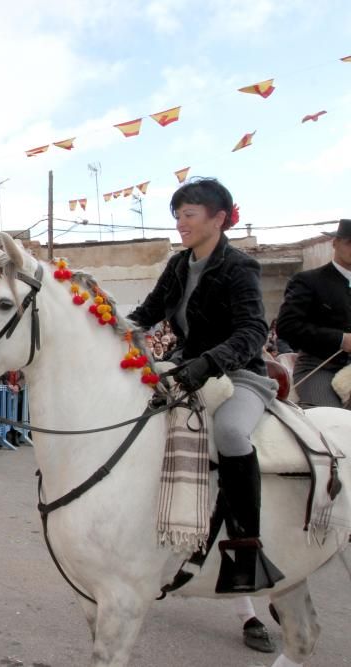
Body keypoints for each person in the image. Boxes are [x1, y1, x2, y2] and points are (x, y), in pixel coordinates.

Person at [128, 177, 282, 595]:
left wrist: (211, 362)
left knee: (231, 432)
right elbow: (146, 314)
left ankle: (245, 549)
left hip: (239, 375)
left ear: (218, 219)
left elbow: (252, 330)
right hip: (185, 370)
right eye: (177, 215)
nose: (181, 222)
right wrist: (104, 325)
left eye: (189, 214)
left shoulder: (240, 267)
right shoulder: (179, 265)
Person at [276, 218, 351, 408]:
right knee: (329, 419)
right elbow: (287, 327)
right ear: (335, 243)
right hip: (319, 367)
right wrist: (341, 339)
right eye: (350, 243)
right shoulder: (308, 281)